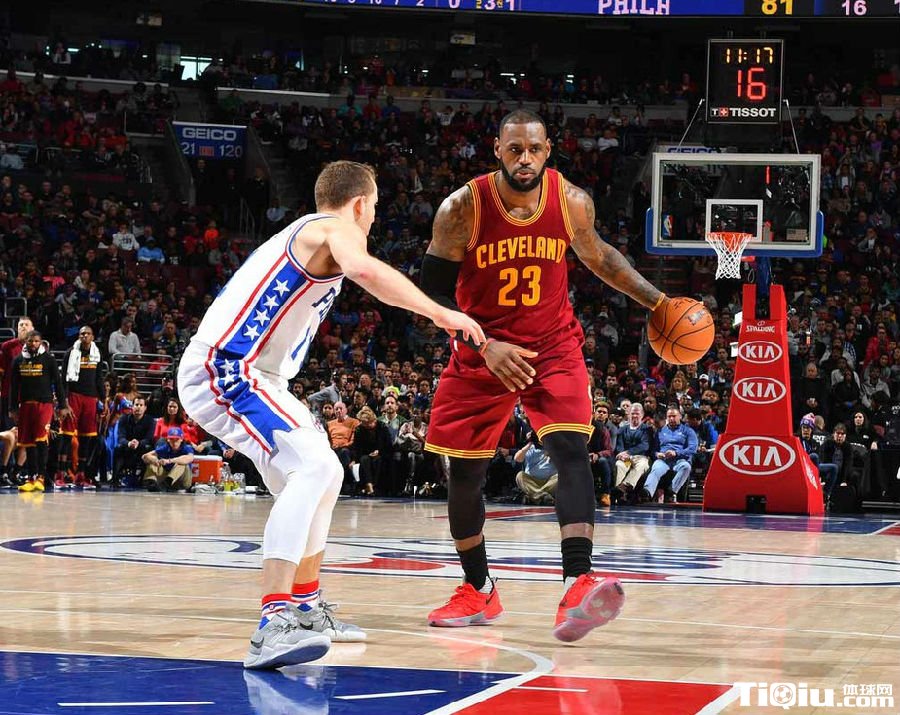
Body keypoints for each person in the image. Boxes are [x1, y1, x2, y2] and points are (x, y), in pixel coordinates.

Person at [177, 160, 483, 669]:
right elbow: (366, 271)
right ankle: (273, 625)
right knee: (316, 467)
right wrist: (440, 312)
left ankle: (304, 606)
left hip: (256, 375)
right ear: (359, 203)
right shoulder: (331, 228)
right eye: (374, 207)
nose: (373, 218)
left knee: (325, 474)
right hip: (227, 368)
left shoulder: (308, 234)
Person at [419, 109, 667, 641]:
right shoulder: (462, 208)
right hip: (482, 349)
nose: (525, 159)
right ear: (497, 150)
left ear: (547, 149)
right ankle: (478, 589)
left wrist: (658, 302)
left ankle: (578, 583)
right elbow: (432, 294)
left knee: (571, 450)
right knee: (463, 474)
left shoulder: (570, 200)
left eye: (533, 149)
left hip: (552, 347)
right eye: (514, 149)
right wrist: (484, 345)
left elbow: (600, 257)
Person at [9, 331, 69, 493]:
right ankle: (31, 478)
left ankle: (41, 477)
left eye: (36, 341)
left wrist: (63, 405)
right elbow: (14, 386)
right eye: (30, 341)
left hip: (44, 404)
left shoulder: (48, 359)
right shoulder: (18, 360)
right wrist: (12, 408)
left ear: (41, 342)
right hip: (25, 405)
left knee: (41, 440)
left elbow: (58, 383)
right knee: (28, 443)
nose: (33, 344)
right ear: (26, 342)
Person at [60, 325, 107, 488]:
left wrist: (104, 400)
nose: (84, 336)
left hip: (91, 398)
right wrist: (64, 401)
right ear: (78, 336)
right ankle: (61, 473)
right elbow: (63, 379)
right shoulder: (70, 353)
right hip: (73, 396)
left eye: (87, 333)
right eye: (82, 334)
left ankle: (81, 474)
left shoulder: (97, 353)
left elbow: (99, 378)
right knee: (66, 435)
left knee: (87, 437)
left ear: (93, 336)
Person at [641, 407, 698, 503]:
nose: (671, 418)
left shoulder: (688, 431)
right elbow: (653, 449)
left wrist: (676, 453)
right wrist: (657, 454)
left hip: (680, 460)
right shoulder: (660, 431)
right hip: (664, 460)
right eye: (669, 416)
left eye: (674, 416)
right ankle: (647, 492)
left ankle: (671, 491)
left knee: (686, 467)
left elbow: (693, 449)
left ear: (680, 416)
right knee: (656, 468)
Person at [141, 426, 195, 491]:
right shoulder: (165, 448)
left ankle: (168, 481)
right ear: (168, 440)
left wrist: (170, 461)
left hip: (182, 481)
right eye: (172, 439)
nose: (174, 442)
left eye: (177, 439)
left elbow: (190, 458)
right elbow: (144, 456)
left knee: (181, 464)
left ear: (181, 439)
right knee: (152, 462)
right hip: (166, 479)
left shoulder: (187, 448)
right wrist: (154, 460)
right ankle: (151, 482)